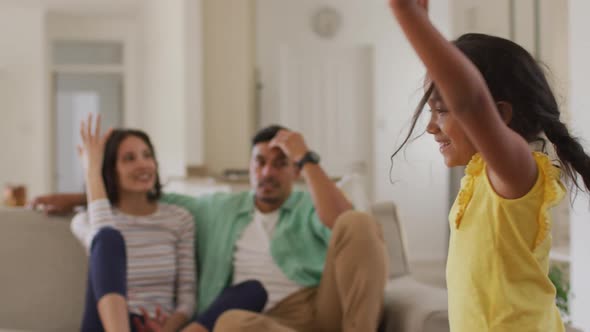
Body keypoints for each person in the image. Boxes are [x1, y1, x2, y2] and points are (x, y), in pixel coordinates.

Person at [33, 124, 388, 332]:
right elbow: (143, 196)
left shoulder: (310, 202)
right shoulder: (216, 207)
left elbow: (344, 223)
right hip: (257, 323)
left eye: (280, 164)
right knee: (229, 321)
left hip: (317, 306)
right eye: (260, 162)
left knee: (358, 222)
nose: (267, 172)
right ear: (248, 167)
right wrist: (74, 195)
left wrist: (306, 158)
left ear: (294, 171)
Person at [389, 1, 590, 331]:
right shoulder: (480, 177)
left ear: (499, 115)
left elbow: (470, 102)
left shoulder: (515, 173)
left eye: (441, 110)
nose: (430, 127)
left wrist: (410, 18)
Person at [71, 114, 267, 332]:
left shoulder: (178, 219)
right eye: (129, 159)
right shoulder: (85, 220)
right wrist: (92, 172)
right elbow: (103, 239)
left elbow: (187, 295)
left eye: (147, 155)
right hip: (111, 325)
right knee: (108, 237)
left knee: (253, 290)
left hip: (163, 327)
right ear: (109, 169)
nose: (143, 164)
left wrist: (168, 328)